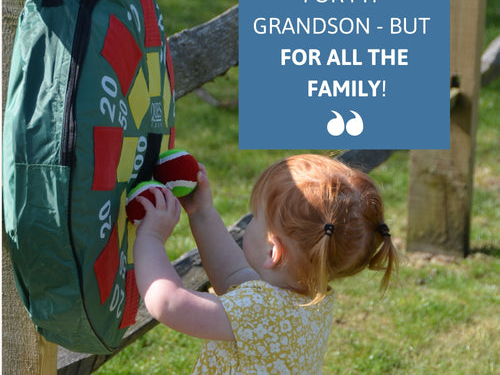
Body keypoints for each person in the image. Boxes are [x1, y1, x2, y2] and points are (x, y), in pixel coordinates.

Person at [134, 153, 398, 374]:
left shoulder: (260, 310)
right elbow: (233, 276)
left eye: (256, 218)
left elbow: (168, 304)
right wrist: (202, 213)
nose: (251, 222)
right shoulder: (307, 303)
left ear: (274, 251)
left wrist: (152, 237)